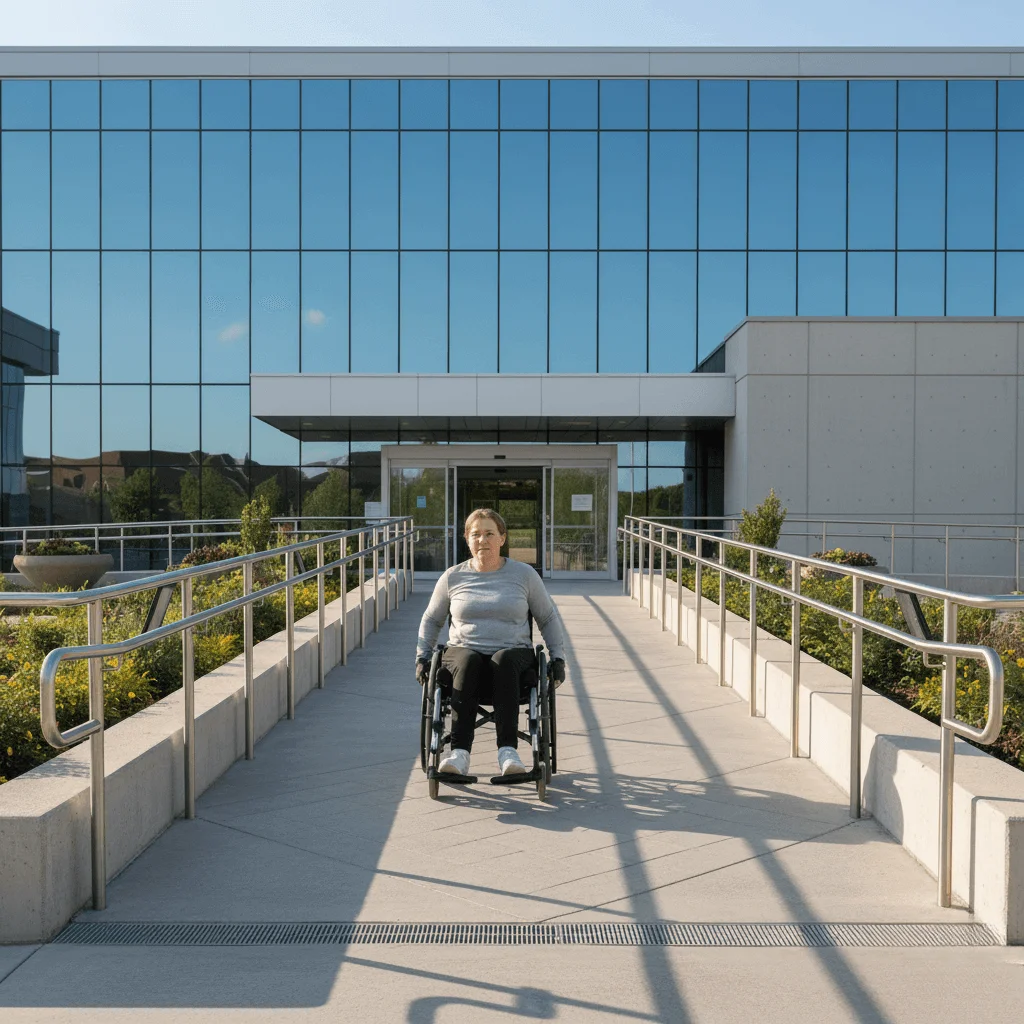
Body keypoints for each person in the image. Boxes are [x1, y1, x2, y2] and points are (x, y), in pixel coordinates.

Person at [416, 507, 567, 777]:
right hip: (462, 656)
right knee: (468, 658)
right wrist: (422, 657)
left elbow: (548, 618)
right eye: (476, 534)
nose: (482, 540)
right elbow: (431, 619)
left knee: (503, 659)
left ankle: (508, 753)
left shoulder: (524, 575)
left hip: (513, 657)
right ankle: (459, 754)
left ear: (502, 538)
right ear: (467, 539)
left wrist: (558, 658)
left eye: (489, 534)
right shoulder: (453, 576)